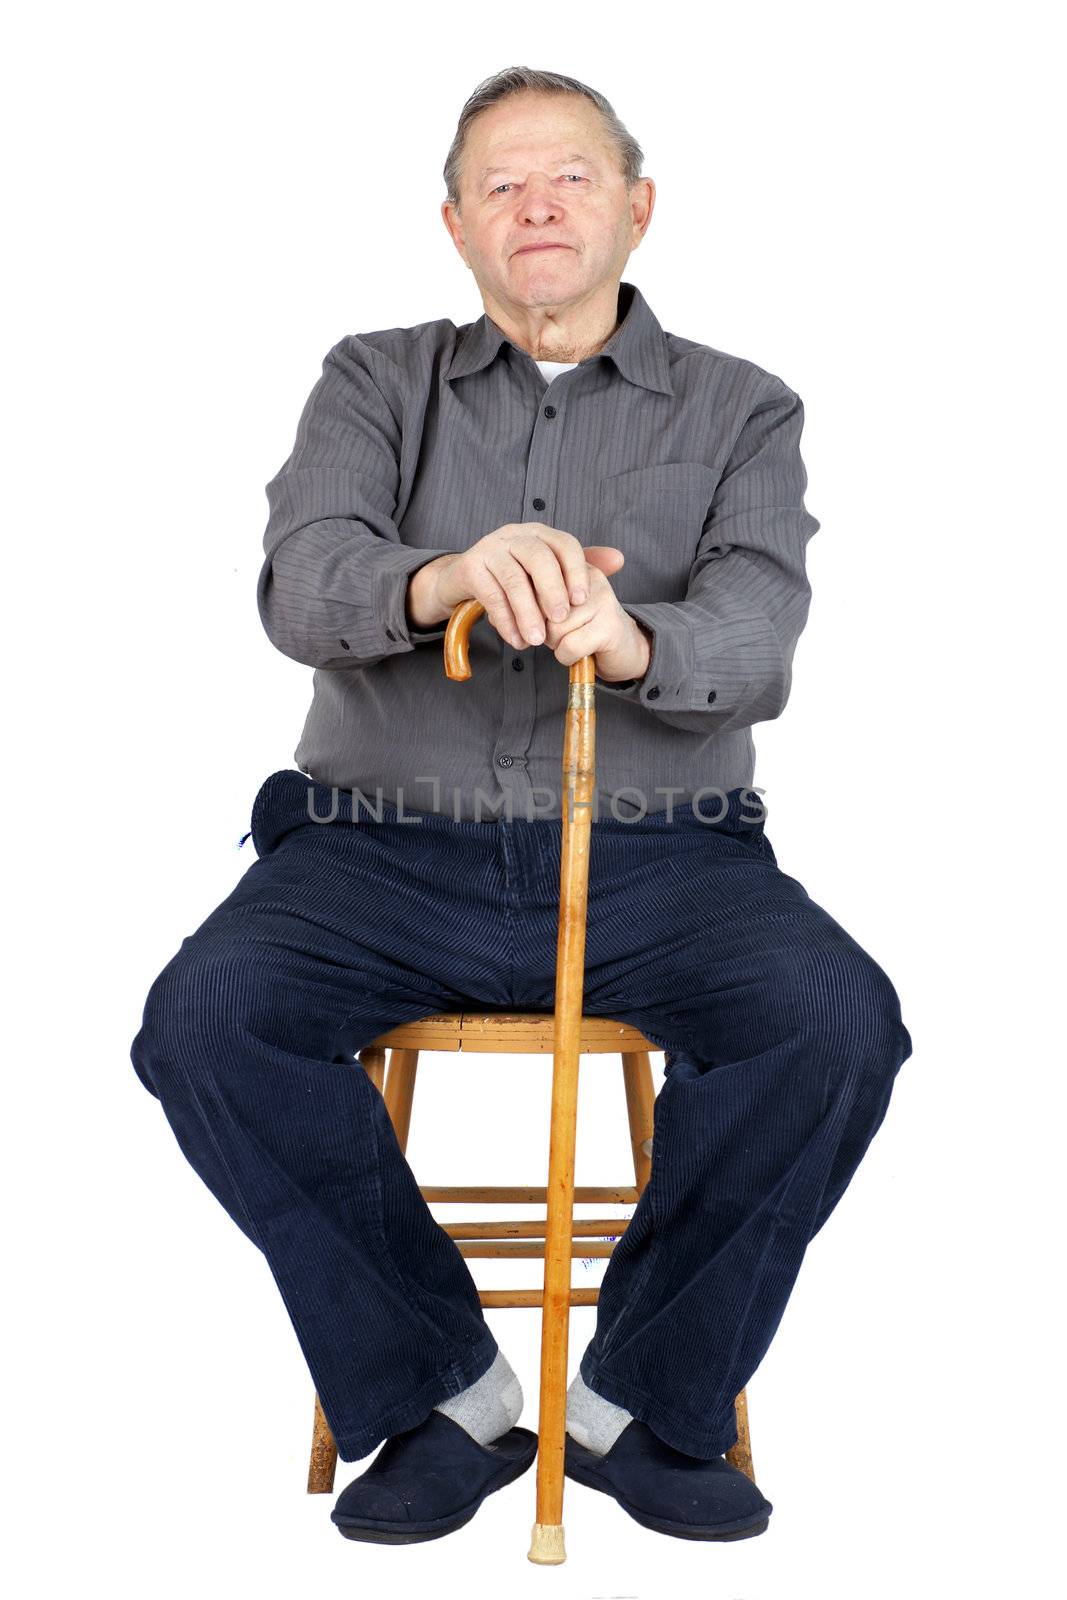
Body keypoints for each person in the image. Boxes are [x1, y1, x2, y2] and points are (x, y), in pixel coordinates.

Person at [130, 65, 913, 1547]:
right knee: (206, 1021)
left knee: (834, 1023)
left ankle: (641, 1405)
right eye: (500, 185)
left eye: (568, 177)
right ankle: (447, 1398)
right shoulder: (373, 376)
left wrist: (635, 643)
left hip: (662, 859)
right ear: (454, 226)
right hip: (371, 848)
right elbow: (302, 582)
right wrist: (444, 579)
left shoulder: (747, 407)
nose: (536, 205)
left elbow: (762, 634)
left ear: (637, 207)